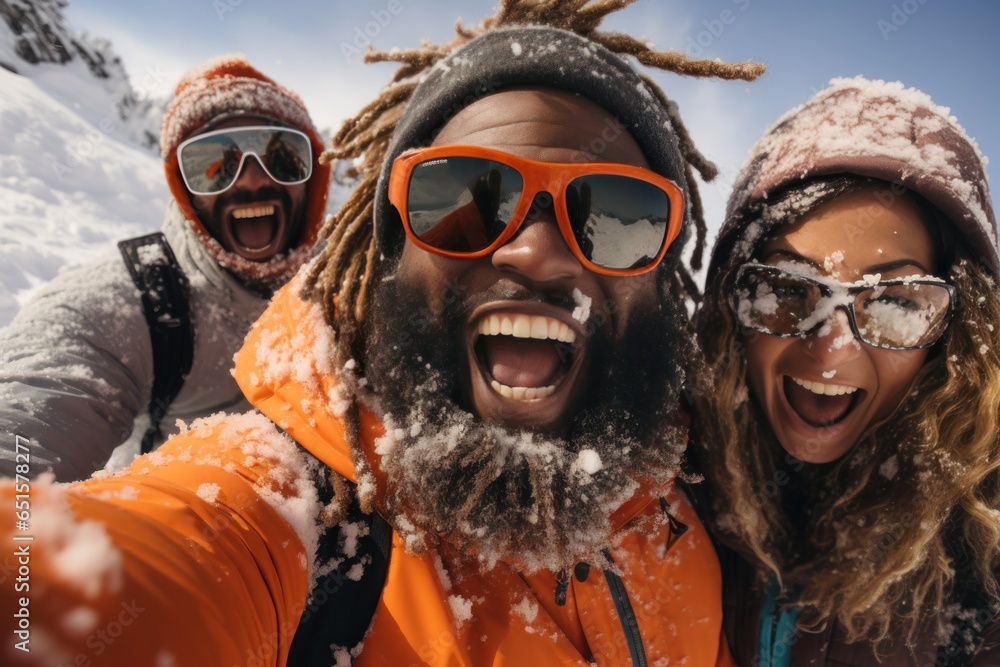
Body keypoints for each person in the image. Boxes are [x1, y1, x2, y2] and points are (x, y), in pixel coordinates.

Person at [0, 3, 767, 665]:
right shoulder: (305, 506)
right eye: (466, 200)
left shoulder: (705, 477)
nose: (533, 250)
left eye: (615, 215)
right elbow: (115, 562)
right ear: (390, 250)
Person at [693, 76, 1000, 665]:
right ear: (728, 312)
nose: (830, 349)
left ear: (954, 335)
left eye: (895, 303)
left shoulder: (982, 564)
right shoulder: (656, 495)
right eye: (787, 289)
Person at [0, 55, 331, 481]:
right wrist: (17, 523)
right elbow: (37, 404)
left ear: (313, 179)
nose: (250, 180)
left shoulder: (348, 286)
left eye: (283, 157)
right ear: (182, 186)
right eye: (214, 164)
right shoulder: (136, 300)